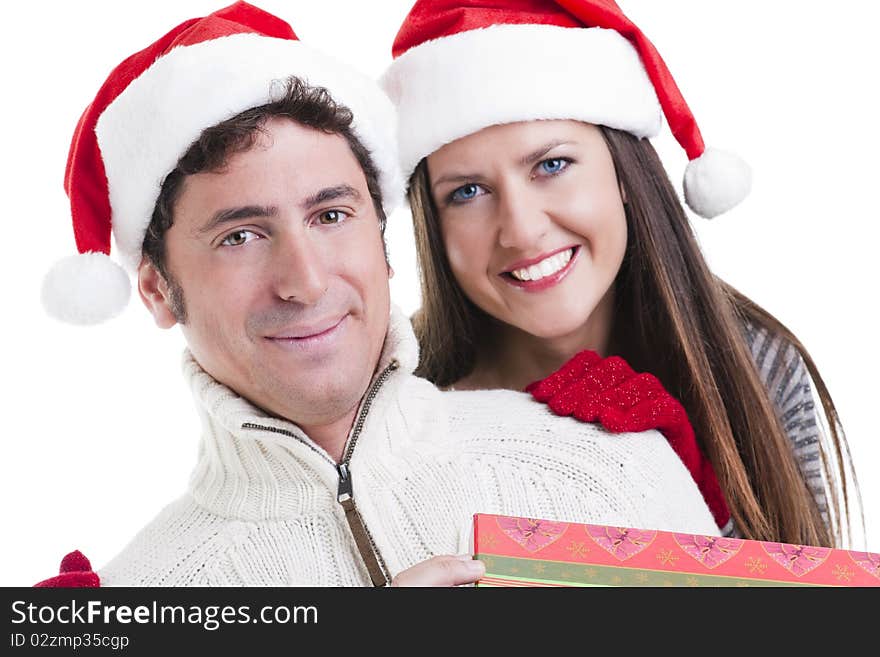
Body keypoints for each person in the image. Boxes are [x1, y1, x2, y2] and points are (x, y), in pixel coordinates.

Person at [38, 1, 718, 587]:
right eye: (240, 235)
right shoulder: (138, 603)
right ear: (156, 290)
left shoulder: (608, 466)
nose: (305, 280)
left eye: (331, 216)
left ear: (384, 245)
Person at [381, 0, 861, 547]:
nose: (520, 230)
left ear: (625, 173)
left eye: (551, 165)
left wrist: (685, 498)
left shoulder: (756, 366)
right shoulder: (399, 406)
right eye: (467, 192)